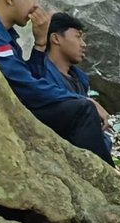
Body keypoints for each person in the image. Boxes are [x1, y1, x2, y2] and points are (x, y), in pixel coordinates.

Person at [0, 0, 111, 164]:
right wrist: (86, 101)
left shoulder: (3, 34)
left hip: (13, 109)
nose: (36, 4)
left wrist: (40, 43)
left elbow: (30, 77)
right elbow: (23, 86)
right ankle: (107, 183)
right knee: (82, 109)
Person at [42, 13, 112, 148]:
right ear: (56, 38)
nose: (83, 44)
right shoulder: (41, 75)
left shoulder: (79, 79)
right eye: (78, 37)